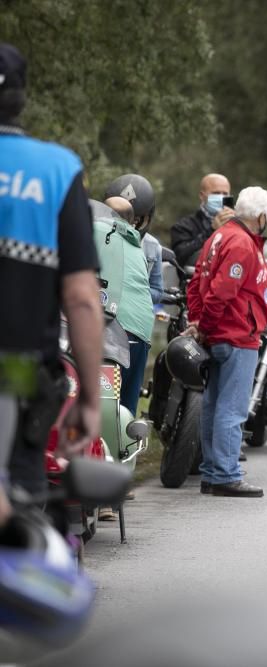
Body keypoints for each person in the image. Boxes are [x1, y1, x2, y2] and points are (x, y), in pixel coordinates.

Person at [0, 42, 103, 511]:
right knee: (20, 506)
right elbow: (81, 298)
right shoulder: (57, 170)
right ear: (21, 99)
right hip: (17, 373)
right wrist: (90, 399)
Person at [184, 186, 267, 498]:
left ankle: (212, 472)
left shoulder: (219, 236)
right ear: (262, 216)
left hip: (221, 332)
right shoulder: (241, 243)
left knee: (213, 405)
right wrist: (205, 325)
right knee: (231, 408)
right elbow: (222, 290)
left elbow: (197, 281)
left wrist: (198, 321)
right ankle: (225, 473)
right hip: (236, 334)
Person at [102, 175, 158, 418]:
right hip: (136, 328)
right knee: (125, 403)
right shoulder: (136, 245)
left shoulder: (90, 232)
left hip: (104, 320)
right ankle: (125, 446)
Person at [171, 173, 233, 268]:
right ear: (202, 195)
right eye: (216, 193)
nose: (221, 197)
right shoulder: (183, 226)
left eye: (225, 194)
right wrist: (212, 230)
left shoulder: (237, 224)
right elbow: (180, 257)